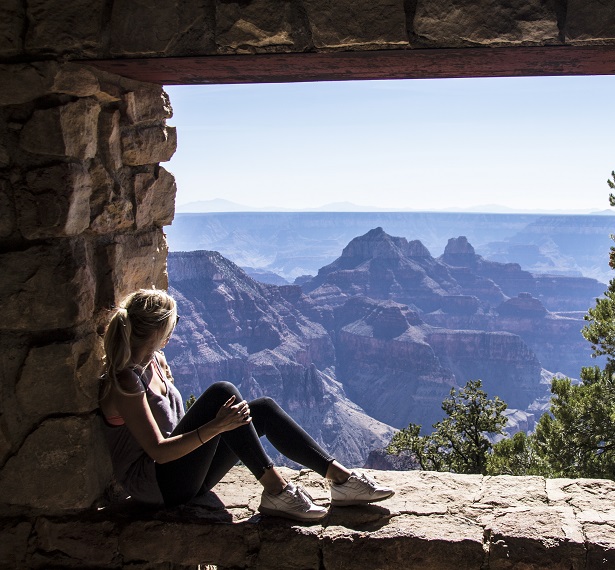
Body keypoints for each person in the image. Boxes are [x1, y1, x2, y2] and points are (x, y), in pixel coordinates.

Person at [98, 289, 394, 522]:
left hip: (184, 476)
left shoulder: (156, 361)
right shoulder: (125, 382)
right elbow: (159, 452)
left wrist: (220, 425)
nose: (176, 329)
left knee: (261, 409)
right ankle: (277, 490)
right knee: (221, 393)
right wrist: (216, 426)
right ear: (158, 330)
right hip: (157, 486)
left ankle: (340, 479)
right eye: (174, 323)